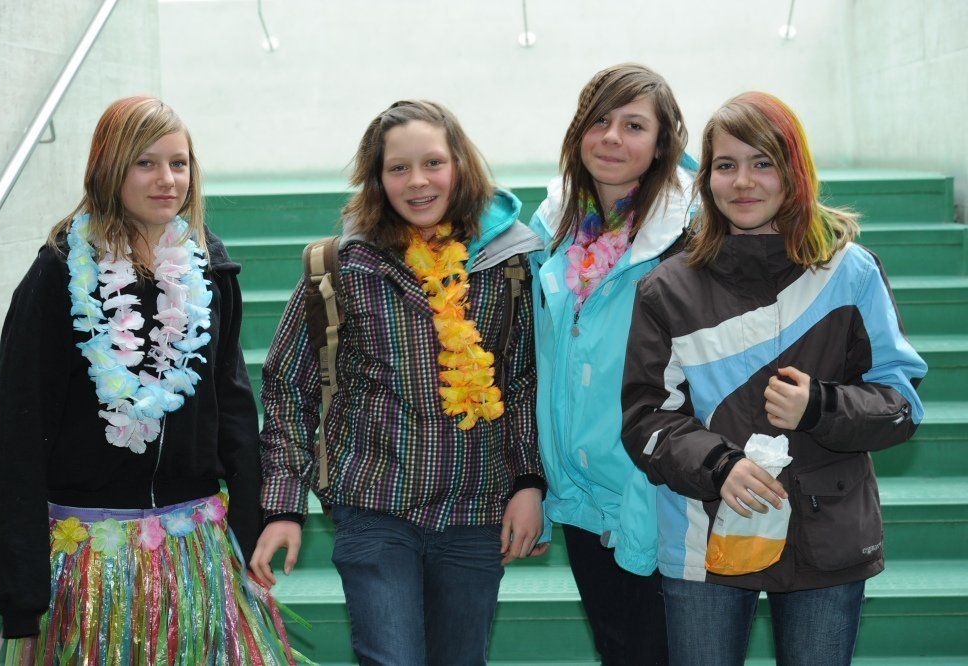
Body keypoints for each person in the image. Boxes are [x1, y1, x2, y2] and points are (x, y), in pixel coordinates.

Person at [620, 91, 928, 666]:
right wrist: (718, 465)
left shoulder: (851, 271)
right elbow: (646, 420)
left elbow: (901, 402)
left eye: (763, 163)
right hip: (704, 535)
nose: (743, 182)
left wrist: (822, 407)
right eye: (726, 164)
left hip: (827, 534)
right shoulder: (667, 288)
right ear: (706, 178)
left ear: (795, 171)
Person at [0, 96, 295, 664]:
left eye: (179, 163)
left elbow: (231, 404)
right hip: (88, 553)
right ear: (109, 169)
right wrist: (21, 595)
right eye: (145, 163)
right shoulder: (59, 271)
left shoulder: (209, 265)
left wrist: (251, 527)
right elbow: (16, 433)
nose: (166, 180)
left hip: (193, 546)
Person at [251, 100, 546, 665]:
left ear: (460, 165)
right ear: (376, 178)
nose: (417, 181)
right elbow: (289, 387)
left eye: (433, 163)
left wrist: (528, 482)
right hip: (374, 507)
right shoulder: (342, 268)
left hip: (475, 511)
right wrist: (284, 505)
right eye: (398, 168)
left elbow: (523, 382)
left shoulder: (506, 265)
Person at [529, 63, 694, 664]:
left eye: (634, 126)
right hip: (582, 492)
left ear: (661, 145)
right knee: (620, 649)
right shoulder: (553, 228)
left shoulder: (689, 234)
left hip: (658, 487)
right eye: (599, 121)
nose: (612, 138)